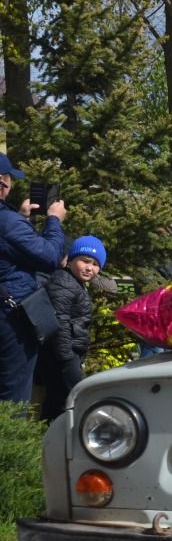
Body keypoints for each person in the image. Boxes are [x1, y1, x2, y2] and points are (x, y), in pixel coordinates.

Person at [0, 153, 68, 403]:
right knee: (12, 394)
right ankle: (11, 442)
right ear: (2, 184)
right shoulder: (8, 223)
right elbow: (50, 257)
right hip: (10, 319)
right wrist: (54, 220)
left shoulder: (11, 222)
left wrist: (22, 219)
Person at [35, 236, 104, 421]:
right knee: (75, 399)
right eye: (85, 261)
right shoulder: (64, 281)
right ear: (71, 260)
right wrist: (67, 358)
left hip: (68, 354)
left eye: (96, 264)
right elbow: (60, 321)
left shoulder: (76, 284)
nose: (90, 268)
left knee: (57, 404)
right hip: (62, 356)